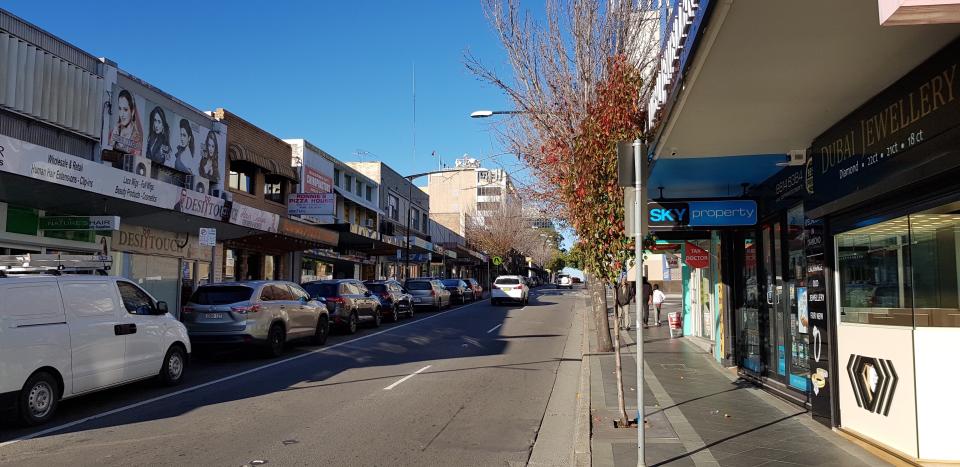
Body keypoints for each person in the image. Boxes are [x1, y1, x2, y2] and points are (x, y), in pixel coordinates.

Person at [108, 89, 142, 156]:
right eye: (120, 109)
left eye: (125, 110)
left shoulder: (137, 137)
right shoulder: (114, 131)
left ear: (132, 112)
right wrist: (112, 140)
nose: (122, 114)